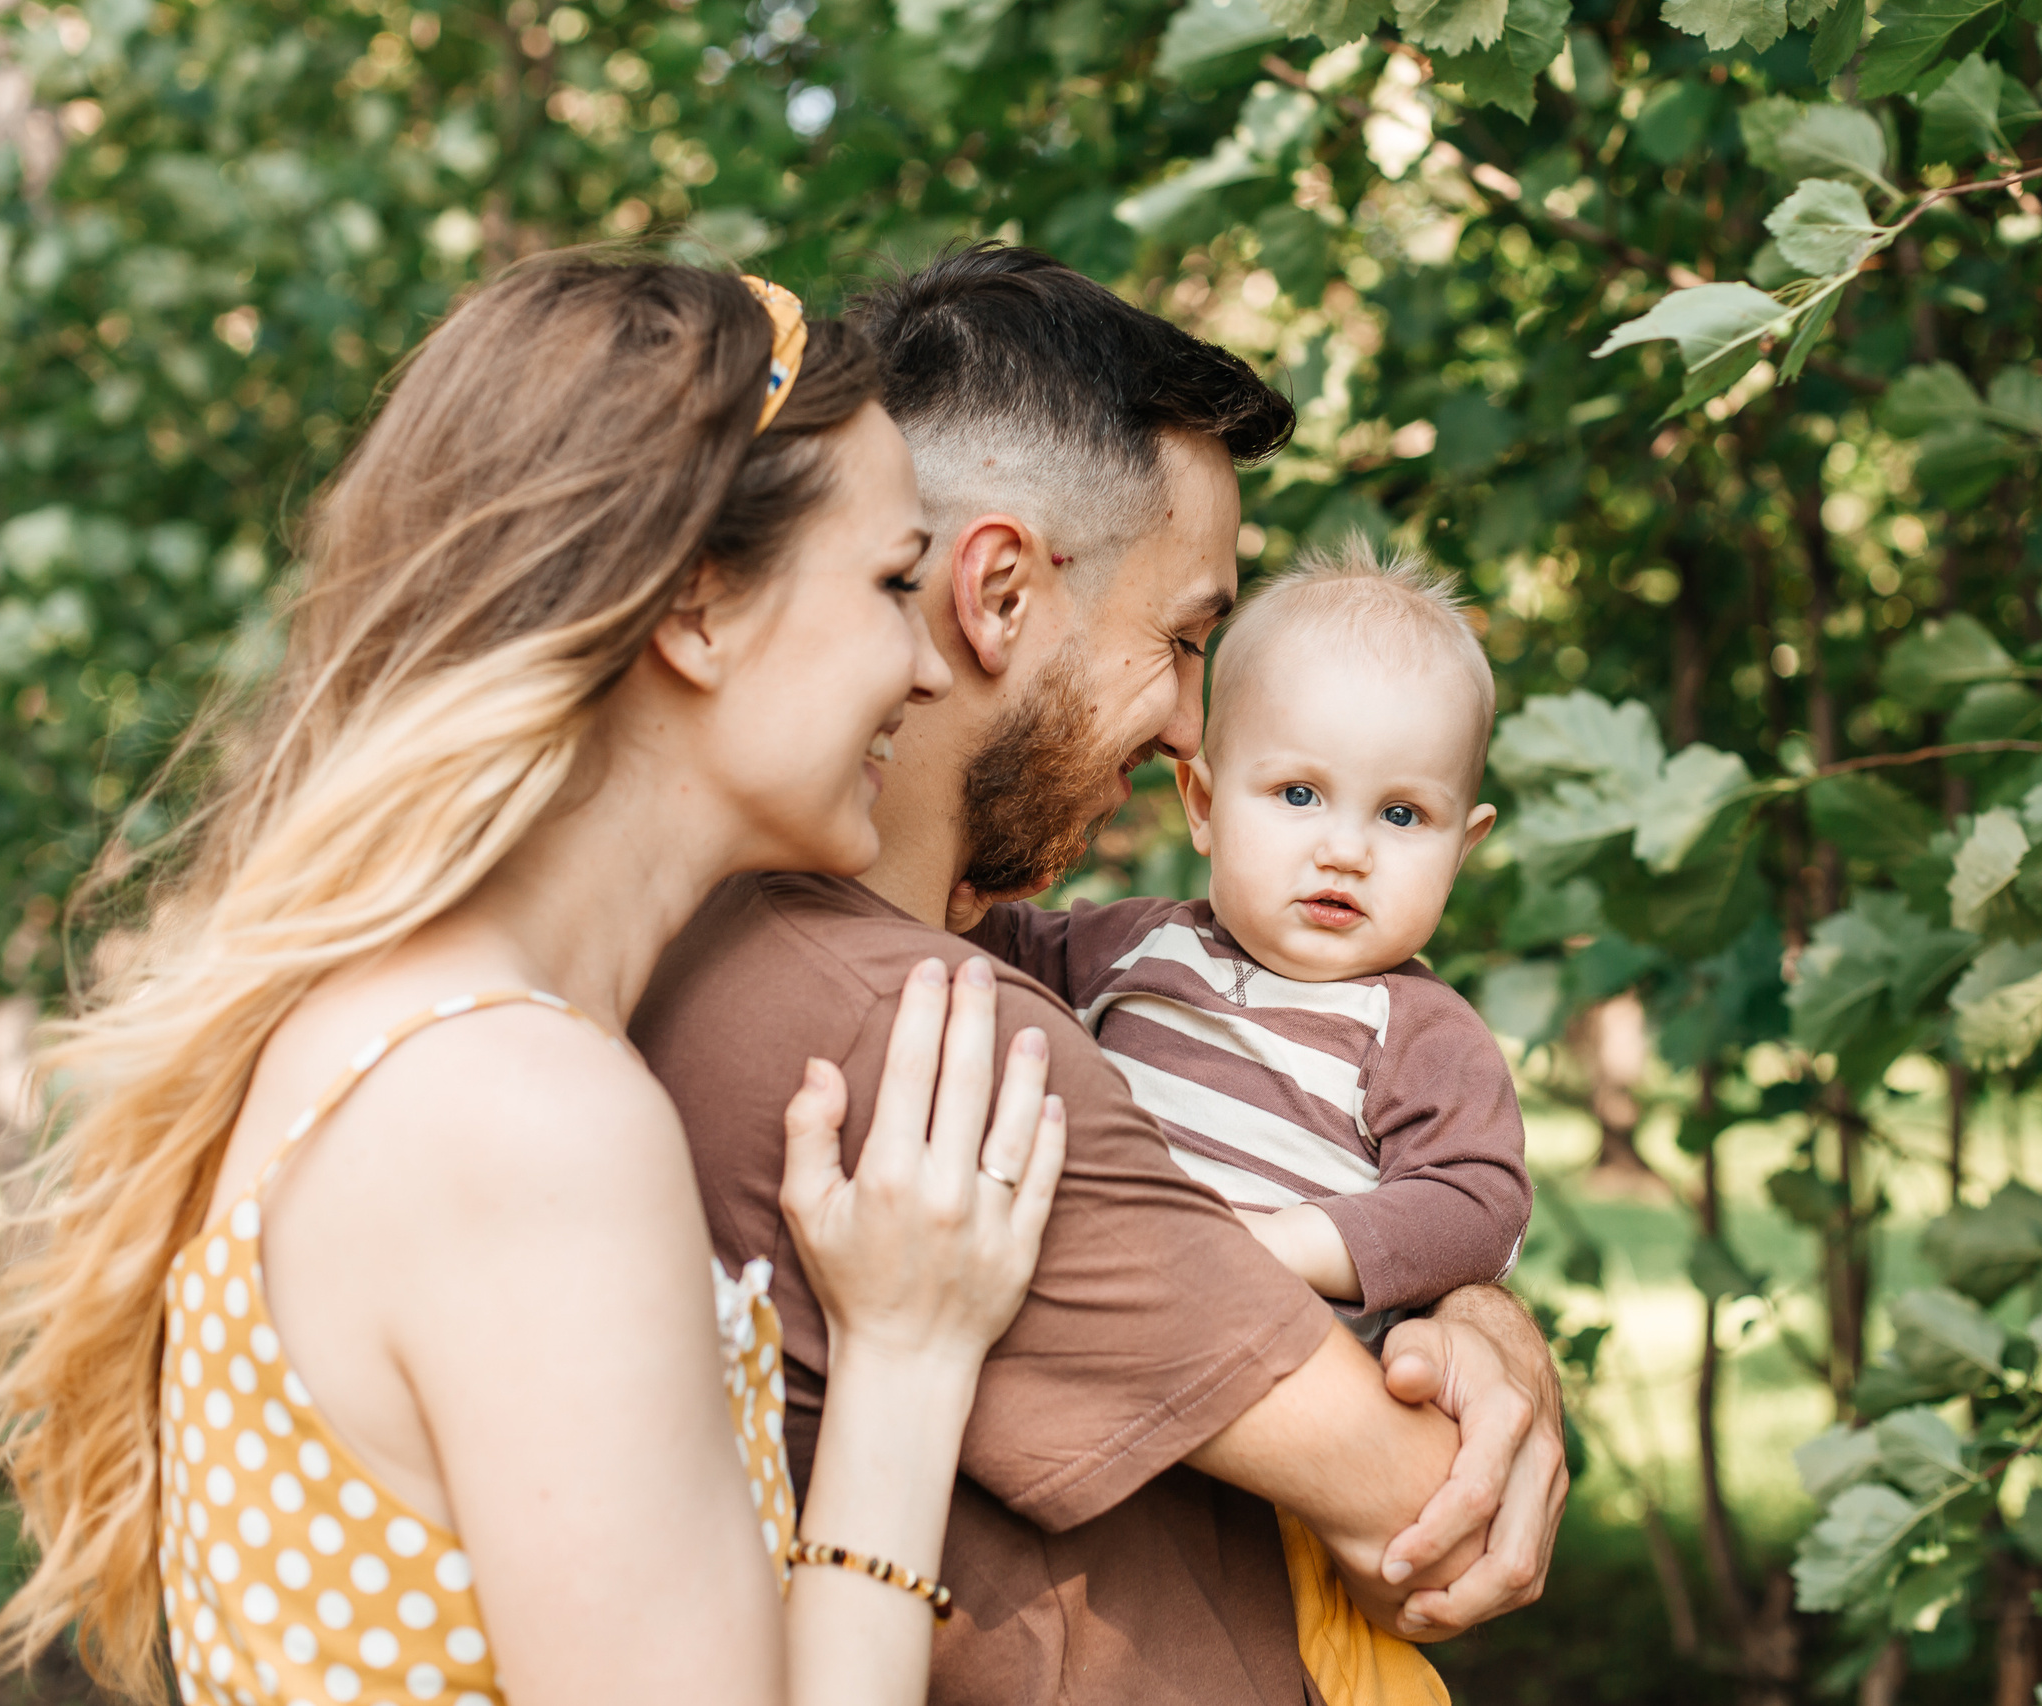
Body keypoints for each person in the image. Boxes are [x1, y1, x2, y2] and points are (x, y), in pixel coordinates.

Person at [0, 255, 1071, 1706]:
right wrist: (908, 1365)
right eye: (891, 581)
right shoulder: (523, 1118)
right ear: (698, 607)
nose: (927, 669)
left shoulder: (382, 1039)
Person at [634, 245, 1567, 1706]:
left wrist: (1474, 1302)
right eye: (1185, 638)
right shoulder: (934, 1045)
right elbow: (1426, 1508)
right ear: (999, 592)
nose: (1197, 727)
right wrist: (1487, 1338)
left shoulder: (769, 941)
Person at [964, 537, 1531, 1706]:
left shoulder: (1413, 1028)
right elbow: (966, 931)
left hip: (1293, 1443)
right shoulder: (1128, 948)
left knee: (1328, 1665)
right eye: (1299, 793)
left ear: (1463, 845)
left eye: (1402, 814)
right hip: (1107, 1399)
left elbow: (1475, 1204)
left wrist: (1286, 1243)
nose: (1344, 847)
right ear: (1203, 801)